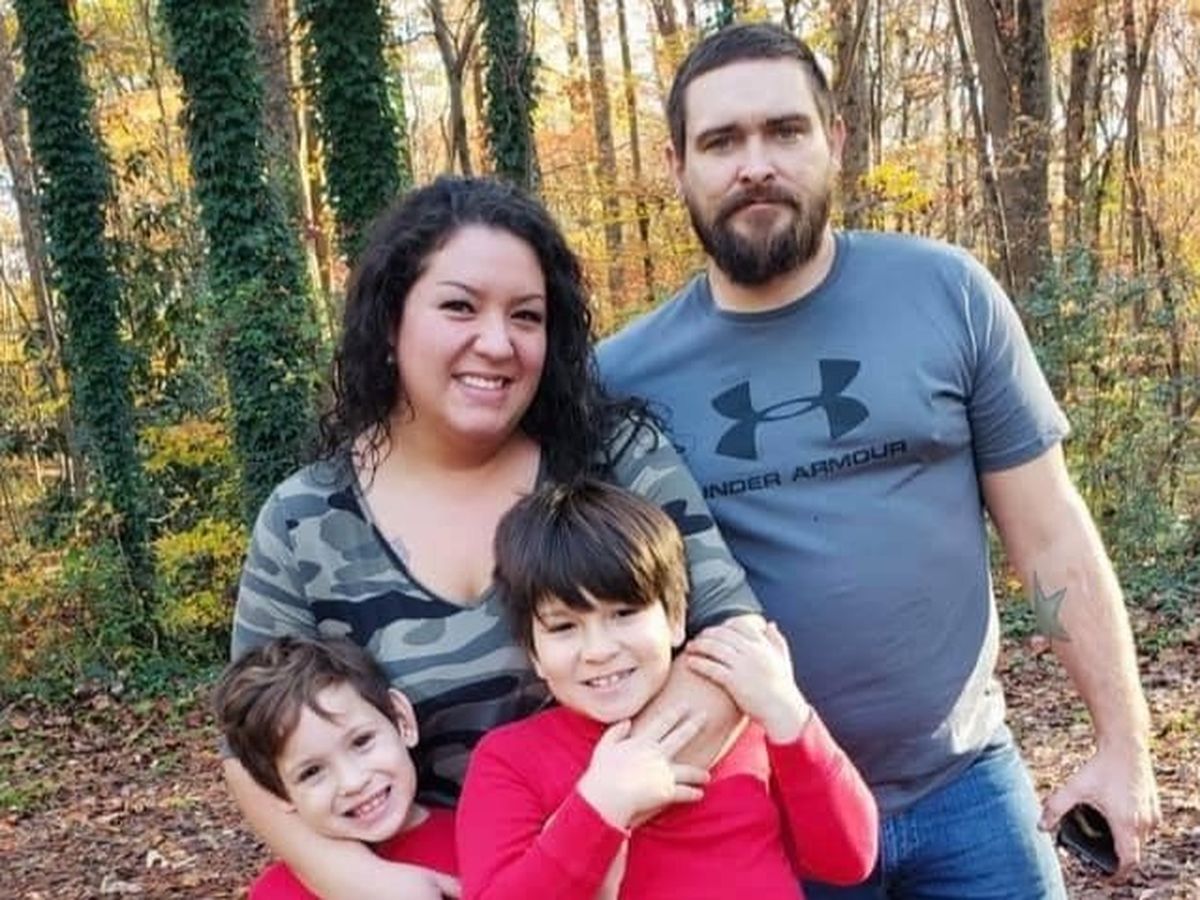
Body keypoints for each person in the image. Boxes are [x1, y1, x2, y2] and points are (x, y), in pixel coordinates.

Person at [598, 22, 1160, 900]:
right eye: (721, 141)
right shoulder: (623, 379)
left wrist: (1123, 747)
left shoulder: (947, 295)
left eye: (785, 130)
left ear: (835, 141)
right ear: (676, 166)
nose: (755, 165)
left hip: (967, 787)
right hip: (764, 807)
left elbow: (1050, 533)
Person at [230, 176, 761, 899]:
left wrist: (581, 838)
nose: (497, 342)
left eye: (526, 316)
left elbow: (736, 637)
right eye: (459, 306)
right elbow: (248, 740)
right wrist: (360, 881)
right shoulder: (304, 522)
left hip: (644, 863)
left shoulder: (615, 458)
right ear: (389, 323)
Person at [457, 479, 877, 898]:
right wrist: (599, 806)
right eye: (564, 627)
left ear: (676, 619)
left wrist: (788, 714)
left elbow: (847, 860)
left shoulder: (742, 710)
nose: (599, 650)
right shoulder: (509, 760)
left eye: (624, 613)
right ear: (533, 652)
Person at [213, 636, 457, 899]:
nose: (352, 782)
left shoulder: (474, 840)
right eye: (311, 772)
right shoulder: (277, 893)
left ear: (401, 721)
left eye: (362, 741)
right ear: (278, 792)